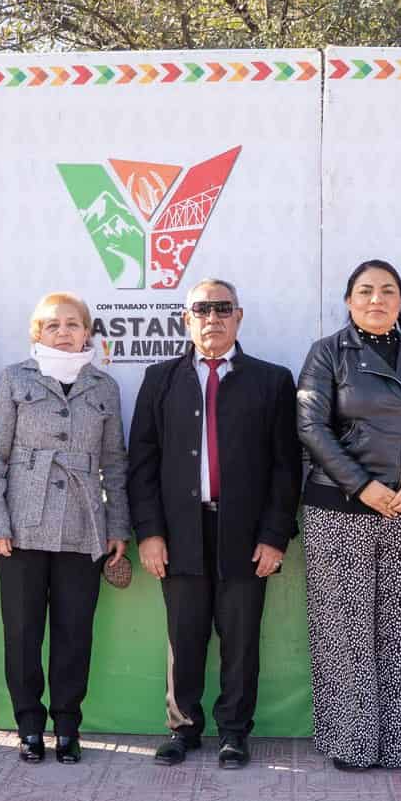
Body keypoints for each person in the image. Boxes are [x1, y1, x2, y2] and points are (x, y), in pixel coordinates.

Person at [128, 279, 301, 771]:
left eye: (223, 309)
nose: (213, 318)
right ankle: (182, 728)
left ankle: (234, 733)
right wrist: (150, 533)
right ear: (187, 319)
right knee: (183, 636)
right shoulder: (159, 379)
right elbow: (141, 463)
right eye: (202, 309)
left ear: (238, 317)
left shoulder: (272, 381)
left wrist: (274, 536)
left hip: (245, 535)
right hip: (179, 532)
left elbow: (287, 468)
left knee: (241, 639)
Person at [297, 259, 401, 773]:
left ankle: (395, 744)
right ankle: (352, 743)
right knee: (344, 631)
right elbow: (311, 428)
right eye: (365, 291)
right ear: (348, 301)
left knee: (400, 631)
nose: (376, 299)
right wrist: (362, 486)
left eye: (388, 290)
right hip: (338, 506)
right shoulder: (327, 353)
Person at [0, 292, 130, 765]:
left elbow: (114, 463)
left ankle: (67, 725)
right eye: (52, 325)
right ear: (36, 333)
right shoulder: (14, 379)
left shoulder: (104, 387)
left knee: (74, 632)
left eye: (73, 324)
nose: (63, 332)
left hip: (83, 526)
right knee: (22, 633)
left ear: (87, 332)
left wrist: (118, 526)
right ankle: (28, 725)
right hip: (21, 527)